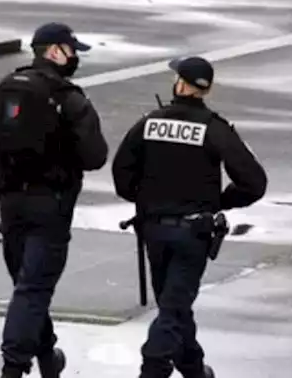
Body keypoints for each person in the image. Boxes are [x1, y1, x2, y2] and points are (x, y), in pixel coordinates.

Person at [0, 22, 109, 378]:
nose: (75, 59)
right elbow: (95, 157)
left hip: (10, 202)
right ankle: (13, 367)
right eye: (72, 51)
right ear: (55, 51)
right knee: (33, 289)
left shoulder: (2, 92)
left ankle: (46, 356)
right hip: (52, 207)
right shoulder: (69, 98)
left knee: (26, 286)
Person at [112, 56, 268, 378]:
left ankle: (180, 368)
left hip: (154, 230)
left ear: (180, 84)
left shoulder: (149, 123)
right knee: (174, 308)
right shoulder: (215, 128)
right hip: (192, 232)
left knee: (172, 306)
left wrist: (147, 200)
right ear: (205, 90)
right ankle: (159, 366)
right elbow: (254, 182)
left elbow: (122, 175)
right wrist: (220, 203)